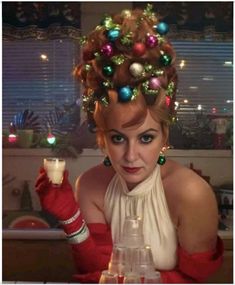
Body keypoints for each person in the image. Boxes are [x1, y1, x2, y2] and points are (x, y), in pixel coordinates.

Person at [35, 5, 223, 283]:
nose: (131, 156)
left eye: (146, 138)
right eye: (117, 138)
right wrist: (70, 217)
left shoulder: (192, 194)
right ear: (102, 137)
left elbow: (195, 281)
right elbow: (95, 268)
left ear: (164, 135)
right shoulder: (90, 185)